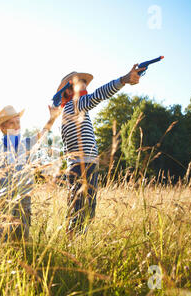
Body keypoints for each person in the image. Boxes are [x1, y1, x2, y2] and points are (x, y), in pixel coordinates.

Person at [56, 64, 144, 237]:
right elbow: (99, 95)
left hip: (84, 166)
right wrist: (124, 80)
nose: (84, 86)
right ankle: (71, 248)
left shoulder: (73, 110)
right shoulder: (73, 106)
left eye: (84, 83)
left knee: (84, 213)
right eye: (79, 83)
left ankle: (75, 247)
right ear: (68, 90)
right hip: (82, 167)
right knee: (80, 214)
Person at [0, 105, 61, 242]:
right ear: (3, 128)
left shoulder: (27, 144)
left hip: (24, 198)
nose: (16, 126)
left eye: (18, 122)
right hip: (5, 199)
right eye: (12, 123)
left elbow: (42, 133)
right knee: (1, 234)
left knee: (22, 235)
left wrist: (52, 119)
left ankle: (21, 255)